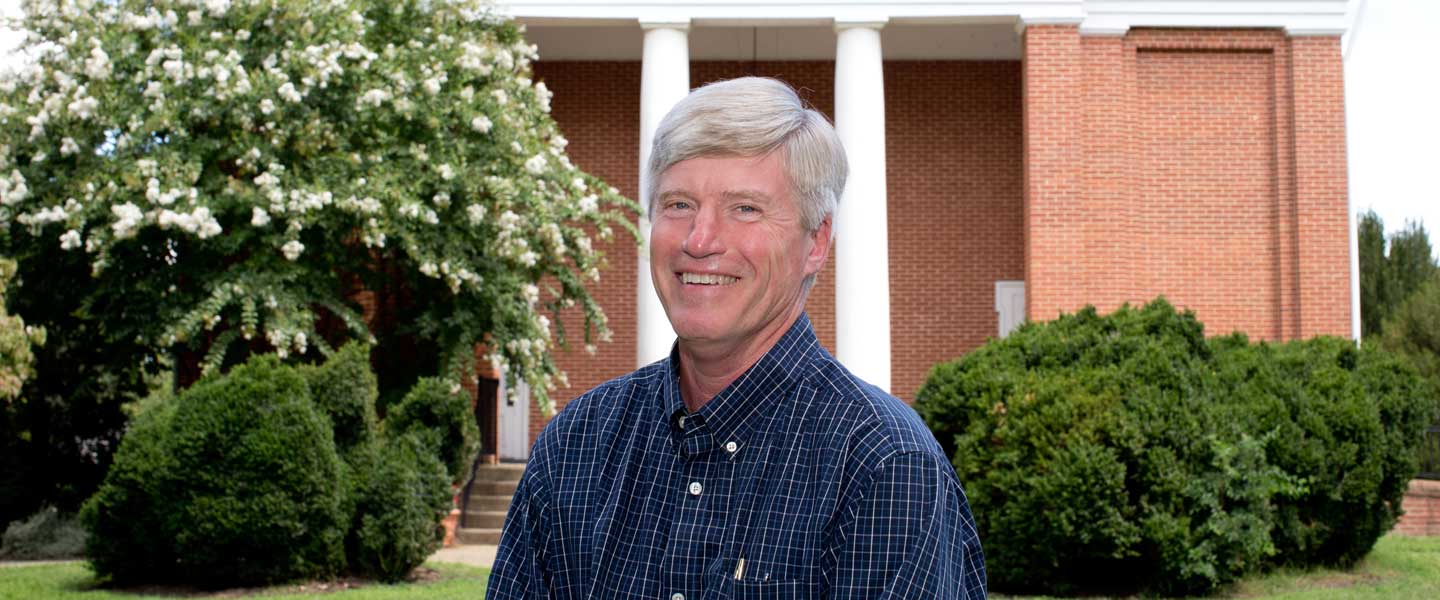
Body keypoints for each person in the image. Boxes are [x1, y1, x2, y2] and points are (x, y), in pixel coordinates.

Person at [487, 77, 986, 599]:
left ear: (816, 242)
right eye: (678, 204)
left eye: (744, 208)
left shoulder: (882, 466)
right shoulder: (576, 447)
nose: (700, 240)